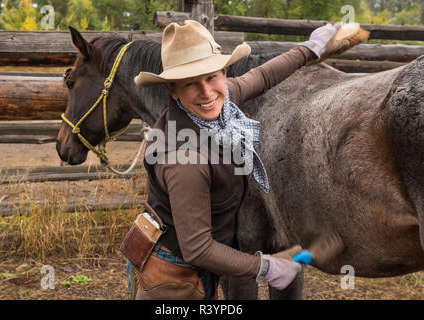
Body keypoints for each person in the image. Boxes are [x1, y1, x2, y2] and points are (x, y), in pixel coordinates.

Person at [127, 20, 340, 300]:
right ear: (172, 90)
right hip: (171, 278)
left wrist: (310, 48)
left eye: (212, 77)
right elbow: (198, 248)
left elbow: (263, 76)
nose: (206, 92)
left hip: (192, 267)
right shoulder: (184, 159)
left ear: (224, 73)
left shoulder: (221, 105)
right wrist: (268, 267)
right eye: (191, 83)